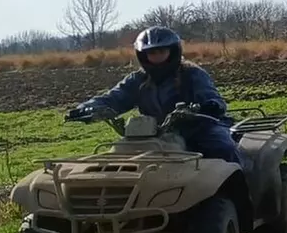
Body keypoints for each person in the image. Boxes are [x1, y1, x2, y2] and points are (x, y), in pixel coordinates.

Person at [66, 27, 242, 165]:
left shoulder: (192, 73)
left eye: (161, 51)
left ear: (172, 51)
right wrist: (85, 108)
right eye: (151, 53)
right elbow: (114, 97)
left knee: (223, 148)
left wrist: (210, 105)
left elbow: (211, 96)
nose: (156, 56)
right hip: (154, 134)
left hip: (200, 128)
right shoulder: (138, 79)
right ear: (143, 55)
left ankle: (243, 200)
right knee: (117, 157)